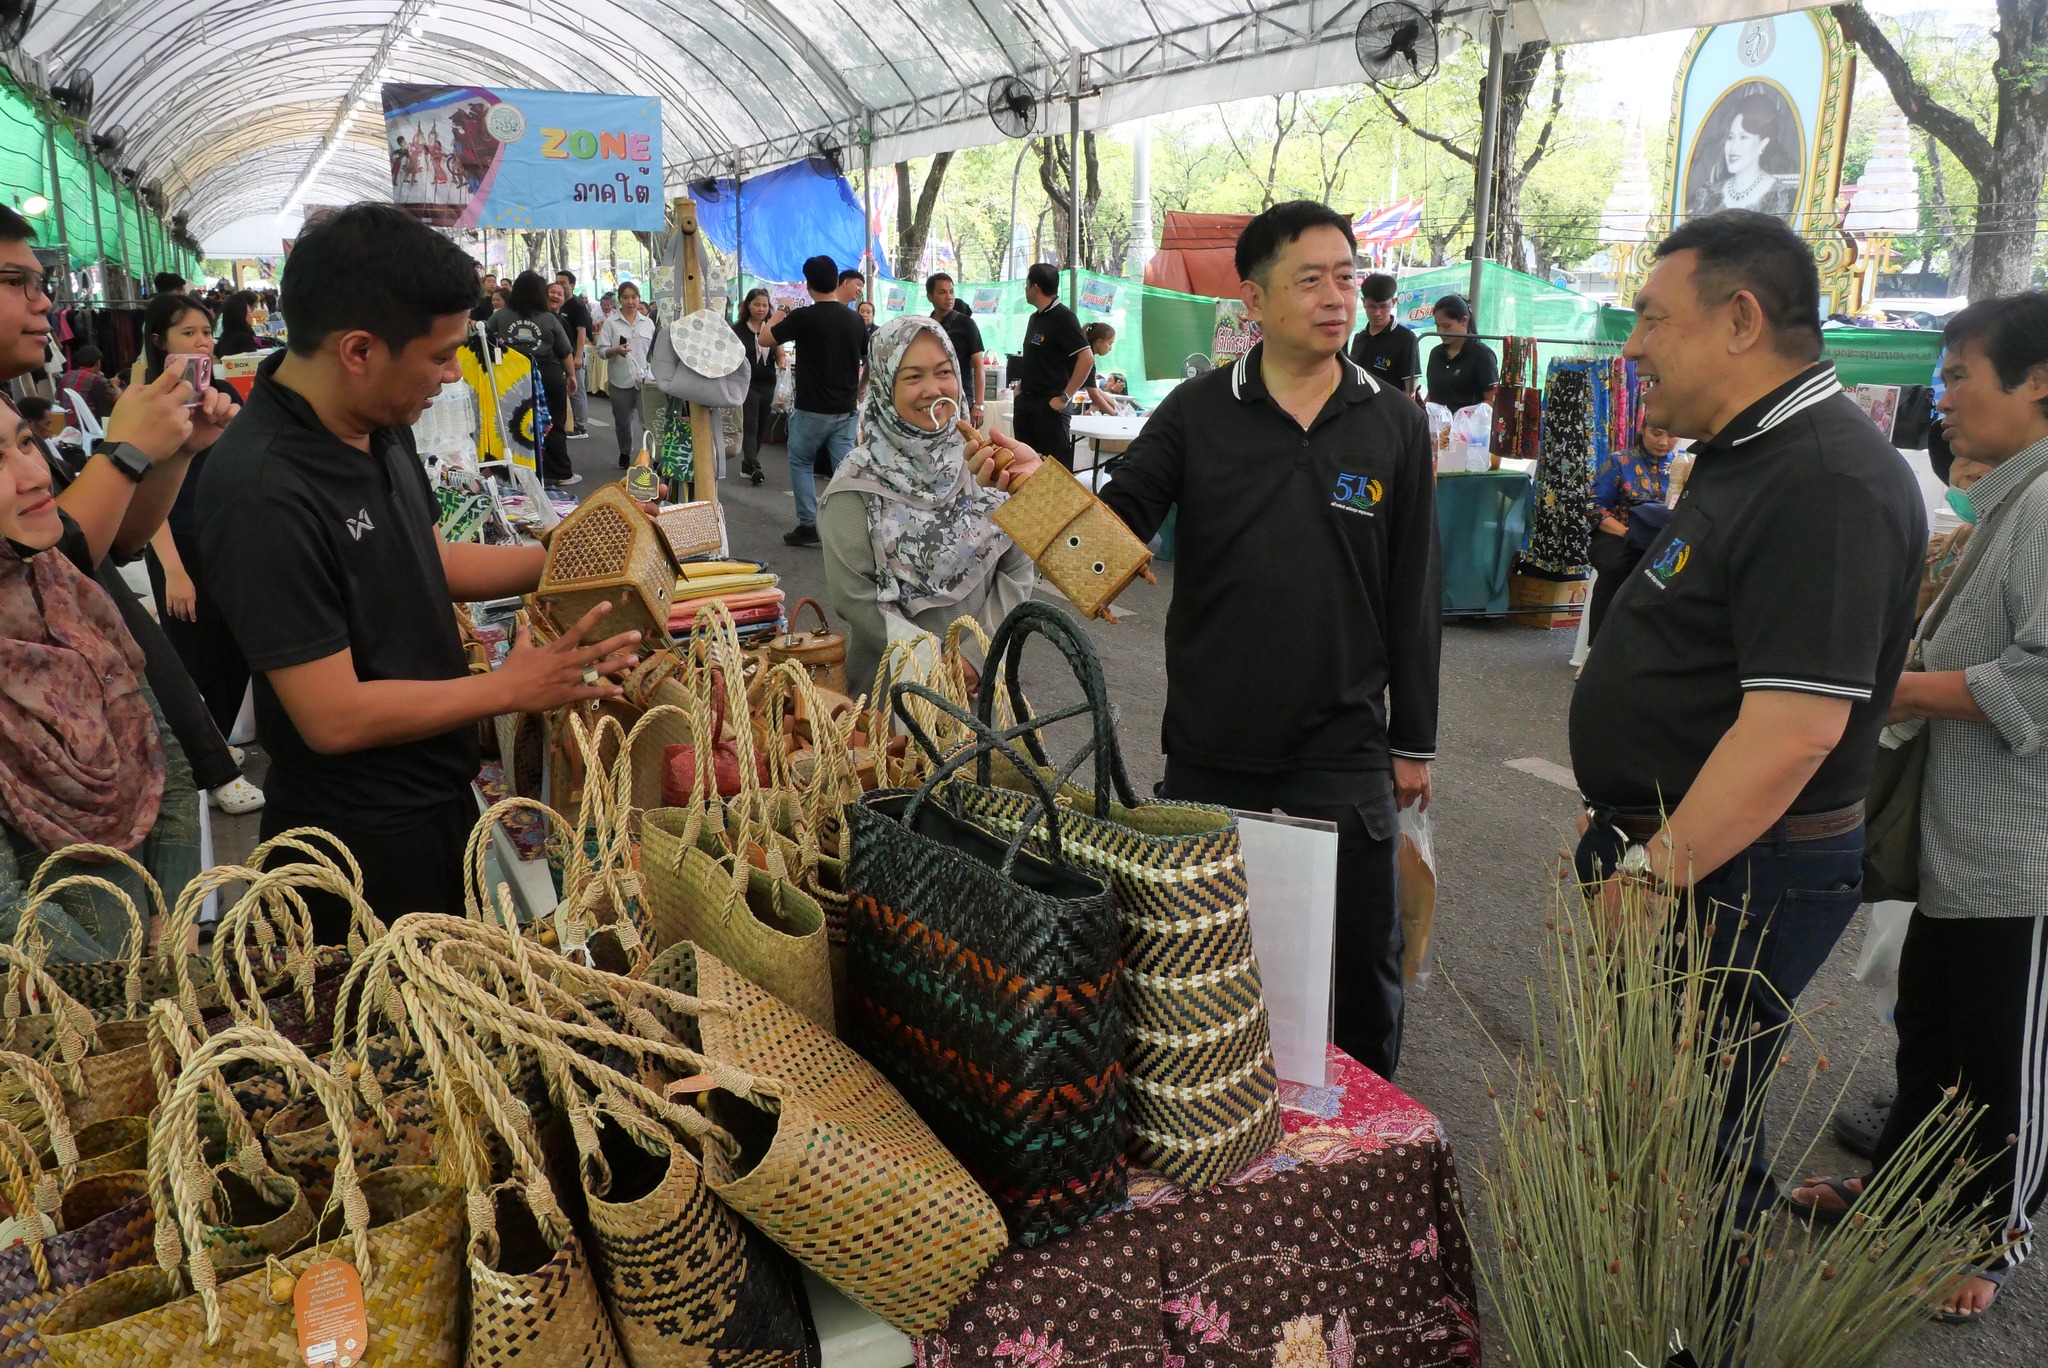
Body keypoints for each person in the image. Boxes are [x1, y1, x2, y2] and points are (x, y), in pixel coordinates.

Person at [1570, 210, 1926, 1227]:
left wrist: (1654, 870)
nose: (1632, 344)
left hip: (1735, 869)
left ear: (1737, 319)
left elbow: (1792, 730)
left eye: (1650, 318)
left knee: (1688, 1140)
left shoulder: (1821, 478)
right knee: (1659, 1117)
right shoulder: (1751, 450)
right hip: (1688, 852)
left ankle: (1688, 1330)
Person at [199, 203, 644, 942]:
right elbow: (332, 715)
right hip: (356, 837)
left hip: (434, 797)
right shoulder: (263, 489)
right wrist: (506, 688)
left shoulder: (379, 425)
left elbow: (429, 560)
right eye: (439, 357)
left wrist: (571, 560)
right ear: (359, 350)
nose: (450, 375)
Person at [1095, 201, 1442, 1079]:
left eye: (1347, 276)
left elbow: (1415, 589)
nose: (1336, 298)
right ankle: (1227, 1139)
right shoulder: (1198, 411)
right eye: (1310, 279)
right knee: (1204, 970)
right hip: (1216, 740)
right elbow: (1114, 528)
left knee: (1361, 966)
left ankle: (1367, 1155)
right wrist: (1038, 487)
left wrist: (1415, 743)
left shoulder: (1391, 419)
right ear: (1254, 299)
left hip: (1345, 743)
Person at [1786, 293, 2048, 1323]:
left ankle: (1995, 1233)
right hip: (1959, 837)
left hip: (2019, 852)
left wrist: (1887, 686)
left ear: (2038, 383)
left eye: (1955, 377)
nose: (1939, 400)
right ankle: (1897, 1192)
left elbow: (2037, 681)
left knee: (1999, 1052)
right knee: (1930, 1037)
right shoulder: (2010, 497)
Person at [0, 396, 204, 959]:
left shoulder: (59, 588)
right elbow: (5, 911)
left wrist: (175, 915)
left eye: (24, 443)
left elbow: (164, 764)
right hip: (49, 1017)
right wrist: (125, 990)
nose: (37, 472)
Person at [820, 315, 1043, 689]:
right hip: (891, 695)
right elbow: (856, 599)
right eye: (911, 377)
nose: (932, 389)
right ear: (883, 387)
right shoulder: (856, 486)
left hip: (986, 686)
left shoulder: (987, 464)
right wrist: (936, 666)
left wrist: (976, 657)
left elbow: (1019, 566)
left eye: (943, 372)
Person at [132, 292, 265, 814]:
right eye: (188, 333)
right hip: (176, 547)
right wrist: (174, 572)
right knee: (190, 658)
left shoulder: (225, 393)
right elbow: (146, 500)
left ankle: (219, 741)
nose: (202, 341)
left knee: (235, 649)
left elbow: (245, 468)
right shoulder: (142, 402)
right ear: (160, 339)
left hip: (227, 543)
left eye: (206, 332)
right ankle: (210, 769)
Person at [759, 255, 868, 547]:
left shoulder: (803, 317)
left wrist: (781, 309)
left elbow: (764, 339)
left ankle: (809, 523)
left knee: (800, 461)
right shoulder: (855, 318)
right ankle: (855, 526)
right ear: (836, 282)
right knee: (846, 469)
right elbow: (869, 356)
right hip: (846, 409)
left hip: (811, 409)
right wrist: (862, 386)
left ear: (808, 286)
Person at [1584, 415, 1678, 642]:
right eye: (1656, 433)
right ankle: (1598, 647)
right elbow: (1593, 506)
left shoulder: (1682, 467)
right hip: (1618, 536)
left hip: (1664, 541)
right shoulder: (1620, 461)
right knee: (1618, 566)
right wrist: (1627, 533)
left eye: (1672, 436)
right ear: (1643, 430)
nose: (1664, 442)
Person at [491, 271, 577, 485]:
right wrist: (572, 375)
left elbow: (482, 337)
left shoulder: (501, 315)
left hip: (512, 377)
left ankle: (515, 470)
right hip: (547, 374)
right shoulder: (548, 318)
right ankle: (558, 472)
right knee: (553, 423)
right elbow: (565, 350)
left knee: (514, 424)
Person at [1014, 263, 1091, 468]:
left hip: (1050, 407)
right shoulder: (1036, 318)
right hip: (1027, 403)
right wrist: (1021, 388)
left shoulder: (1064, 318)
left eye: (1027, 284)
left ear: (1035, 287)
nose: (1026, 289)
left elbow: (1087, 358)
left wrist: (1065, 396)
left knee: (1053, 472)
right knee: (1024, 470)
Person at [1690, 90, 1800, 221]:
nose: (1733, 146)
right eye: (1730, 138)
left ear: (1763, 144)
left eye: (1743, 137)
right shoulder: (1707, 196)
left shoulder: (1783, 197)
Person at [595, 280, 656, 469]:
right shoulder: (611, 323)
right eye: (626, 298)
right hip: (620, 379)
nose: (630, 301)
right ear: (619, 300)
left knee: (649, 423)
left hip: (646, 379)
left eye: (634, 297)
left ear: (639, 299)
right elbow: (601, 351)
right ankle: (624, 452)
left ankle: (649, 458)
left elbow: (654, 352)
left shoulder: (648, 323)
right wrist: (615, 350)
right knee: (623, 422)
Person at [732, 287, 781, 486]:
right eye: (756, 304)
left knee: (762, 424)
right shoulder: (737, 330)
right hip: (746, 383)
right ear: (748, 306)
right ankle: (753, 464)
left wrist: (783, 359)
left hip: (768, 381)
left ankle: (748, 464)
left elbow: (779, 350)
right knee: (750, 424)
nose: (761, 309)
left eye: (764, 305)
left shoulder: (771, 328)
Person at [927, 273, 986, 428]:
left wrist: (979, 405)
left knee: (962, 448)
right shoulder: (927, 326)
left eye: (951, 292)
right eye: (942, 292)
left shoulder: (967, 324)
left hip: (962, 400)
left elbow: (979, 366)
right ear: (930, 297)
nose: (949, 297)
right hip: (934, 399)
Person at [1423, 294, 1497, 413]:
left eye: (1447, 326)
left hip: (1468, 427)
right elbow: (1431, 396)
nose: (1441, 331)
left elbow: (1492, 401)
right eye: (1437, 326)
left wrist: (1465, 417)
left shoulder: (1482, 355)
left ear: (1464, 321)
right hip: (1437, 427)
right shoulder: (1435, 353)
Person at [1349, 271, 1420, 395]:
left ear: (1393, 302)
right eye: (1371, 306)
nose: (1377, 313)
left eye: (1384, 306)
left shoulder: (1406, 339)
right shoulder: (1359, 337)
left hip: (1391, 410)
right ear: (1363, 302)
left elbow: (1411, 390)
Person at [555, 270, 594, 435]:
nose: (560, 285)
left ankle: (580, 427)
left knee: (576, 390)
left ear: (572, 285)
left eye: (563, 282)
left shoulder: (578, 306)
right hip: (560, 354)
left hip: (573, 353)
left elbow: (581, 332)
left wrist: (578, 355)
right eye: (557, 282)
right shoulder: (558, 303)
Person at [60, 343, 119, 420]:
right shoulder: (96, 379)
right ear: (98, 363)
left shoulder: (67, 375)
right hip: (87, 425)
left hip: (65, 422)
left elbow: (57, 396)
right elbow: (117, 399)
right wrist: (115, 385)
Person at [214, 290, 277, 356]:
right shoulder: (245, 339)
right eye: (250, 312)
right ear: (241, 315)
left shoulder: (224, 336)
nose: (252, 315)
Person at [1075, 324, 1120, 413]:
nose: (1110, 348)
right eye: (1110, 343)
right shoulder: (1087, 359)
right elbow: (1094, 394)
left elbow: (1094, 388)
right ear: (1099, 342)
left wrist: (1116, 405)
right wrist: (1115, 415)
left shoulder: (1085, 353)